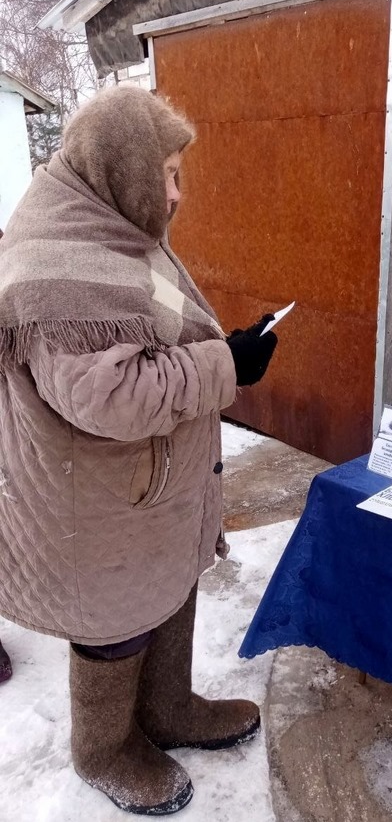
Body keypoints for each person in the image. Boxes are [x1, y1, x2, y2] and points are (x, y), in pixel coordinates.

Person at [0, 88, 278, 815]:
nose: (178, 194)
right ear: (123, 167)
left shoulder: (111, 227)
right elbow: (108, 397)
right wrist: (224, 364)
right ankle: (103, 749)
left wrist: (224, 347)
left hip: (148, 488)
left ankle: (167, 708)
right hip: (97, 500)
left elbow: (157, 331)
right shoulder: (56, 266)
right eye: (170, 174)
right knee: (116, 623)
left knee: (168, 587)